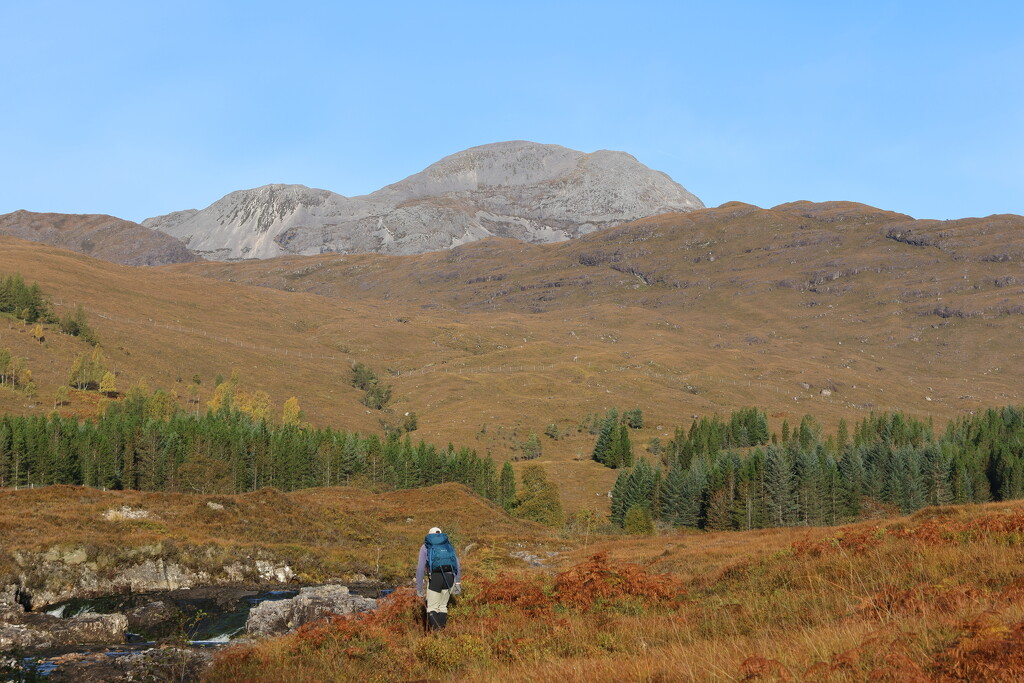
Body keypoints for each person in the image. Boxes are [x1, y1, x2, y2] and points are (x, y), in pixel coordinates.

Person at [415, 526, 461, 630]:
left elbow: (420, 568)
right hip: (450, 577)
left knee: (432, 607)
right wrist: (457, 582)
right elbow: (457, 565)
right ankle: (442, 632)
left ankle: (437, 633)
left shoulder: (425, 547)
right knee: (443, 607)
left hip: (435, 577)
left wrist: (419, 587)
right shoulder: (448, 546)